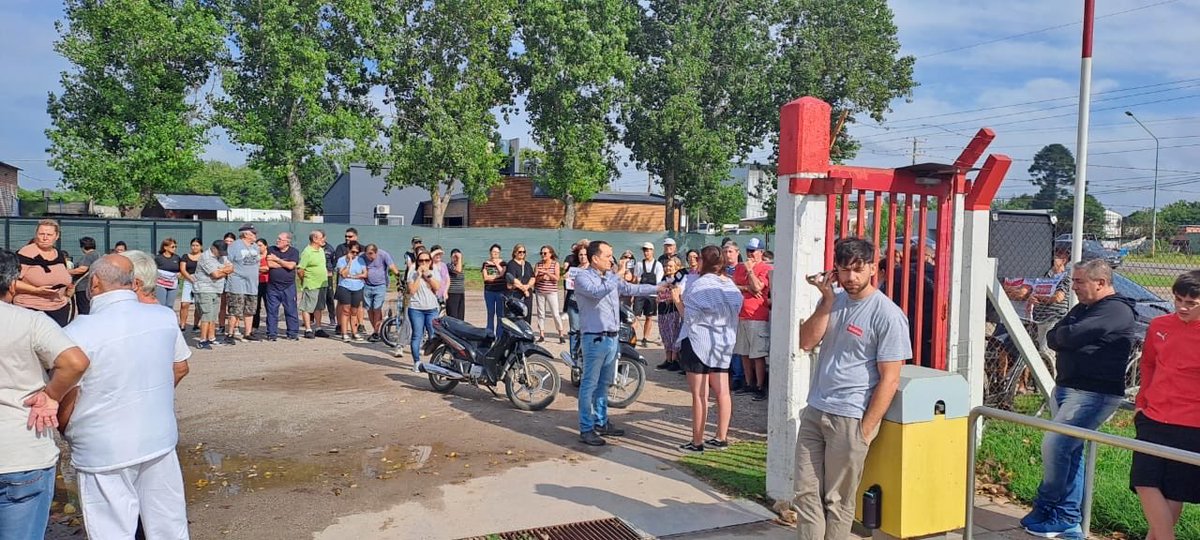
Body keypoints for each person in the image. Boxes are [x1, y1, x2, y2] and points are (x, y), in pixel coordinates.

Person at [60, 254, 191, 540]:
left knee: (112, 529)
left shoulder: (74, 333)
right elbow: (180, 367)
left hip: (104, 447)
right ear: (133, 283)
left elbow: (66, 395)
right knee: (168, 524)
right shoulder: (164, 317)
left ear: (94, 284)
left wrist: (69, 429)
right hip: (158, 438)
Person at [795, 237, 911, 540]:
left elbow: (890, 378)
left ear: (873, 268)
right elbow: (806, 341)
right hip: (816, 410)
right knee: (805, 493)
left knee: (838, 500)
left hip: (850, 417)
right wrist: (827, 300)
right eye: (845, 270)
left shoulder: (887, 314)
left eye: (858, 270)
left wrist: (866, 429)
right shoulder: (834, 301)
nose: (851, 278)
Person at [1020, 259, 1138, 537]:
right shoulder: (1083, 308)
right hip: (1067, 388)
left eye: (1079, 282)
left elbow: (1071, 335)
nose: (1073, 288)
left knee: (1056, 446)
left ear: (1101, 282)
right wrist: (1065, 335)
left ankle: (1051, 506)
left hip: (1092, 393)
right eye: (1073, 281)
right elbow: (1053, 336)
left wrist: (1066, 335)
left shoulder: (1116, 310)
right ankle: (1068, 516)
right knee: (1070, 453)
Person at [0, 249, 90, 540]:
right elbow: (75, 363)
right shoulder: (30, 321)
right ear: (13, 283)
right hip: (20, 451)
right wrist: (51, 395)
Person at [573, 240, 664, 447]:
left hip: (612, 338)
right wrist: (617, 274)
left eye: (612, 256)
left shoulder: (610, 278)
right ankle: (586, 428)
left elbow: (633, 288)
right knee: (590, 384)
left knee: (604, 383)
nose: (611, 260)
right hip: (595, 338)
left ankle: (602, 421)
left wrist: (659, 288)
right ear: (594, 258)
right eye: (607, 256)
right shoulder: (583, 277)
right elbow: (597, 293)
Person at [1132, 270, 1200, 540]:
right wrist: (1141, 402)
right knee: (1144, 481)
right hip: (1154, 416)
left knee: (1173, 492)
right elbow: (1148, 364)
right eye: (1178, 299)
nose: (1182, 307)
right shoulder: (1159, 325)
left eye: (1191, 303)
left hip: (1191, 423)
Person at [675, 245, 742, 452]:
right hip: (723, 343)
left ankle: (697, 441)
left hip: (698, 342)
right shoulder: (731, 286)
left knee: (699, 394)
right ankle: (721, 436)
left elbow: (688, 317)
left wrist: (677, 299)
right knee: (723, 392)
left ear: (704, 262)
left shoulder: (699, 286)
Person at [733, 238, 772, 401]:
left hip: (757, 315)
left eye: (753, 251)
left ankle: (759, 386)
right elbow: (731, 285)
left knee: (757, 354)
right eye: (748, 250)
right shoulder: (739, 267)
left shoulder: (766, 268)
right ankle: (748, 383)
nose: (749, 254)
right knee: (744, 353)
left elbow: (757, 287)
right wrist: (745, 288)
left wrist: (750, 272)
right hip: (741, 314)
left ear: (761, 252)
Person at [14, 219, 73, 326]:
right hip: (31, 308)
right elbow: (11, 281)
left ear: (57, 236)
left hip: (59, 308)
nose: (45, 238)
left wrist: (67, 293)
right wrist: (36, 290)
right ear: (36, 235)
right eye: (41, 234)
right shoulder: (26, 253)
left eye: (49, 234)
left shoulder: (59, 254)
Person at [194, 241, 234, 349]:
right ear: (213, 248)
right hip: (205, 289)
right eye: (219, 251)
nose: (221, 254)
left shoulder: (222, 256)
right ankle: (203, 340)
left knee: (213, 315)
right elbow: (215, 275)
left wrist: (222, 270)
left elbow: (231, 267)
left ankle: (211, 338)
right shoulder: (205, 257)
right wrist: (224, 271)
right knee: (206, 315)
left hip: (217, 289)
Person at [226, 224, 262, 341]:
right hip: (237, 283)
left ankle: (248, 332)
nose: (255, 235)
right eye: (253, 233)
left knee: (250, 309)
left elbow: (257, 262)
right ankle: (230, 333)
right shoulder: (234, 246)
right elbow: (228, 262)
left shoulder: (255, 247)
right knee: (236, 309)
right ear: (246, 234)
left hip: (252, 284)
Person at [407, 250, 441, 372]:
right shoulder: (412, 271)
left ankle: (434, 358)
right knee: (417, 334)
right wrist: (419, 275)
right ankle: (416, 362)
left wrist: (428, 275)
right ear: (417, 261)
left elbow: (437, 287)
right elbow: (412, 290)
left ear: (430, 261)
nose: (424, 263)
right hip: (416, 308)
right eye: (421, 260)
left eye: (427, 260)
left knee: (435, 335)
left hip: (431, 308)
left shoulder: (434, 270)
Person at [264, 232, 300, 341]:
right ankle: (271, 333)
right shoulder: (271, 250)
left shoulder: (294, 252)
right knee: (272, 311)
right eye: (277, 238)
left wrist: (278, 260)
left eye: (280, 239)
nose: (277, 241)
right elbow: (270, 264)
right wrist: (284, 263)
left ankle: (292, 333)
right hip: (273, 286)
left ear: (287, 242)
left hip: (288, 286)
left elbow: (291, 266)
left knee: (291, 310)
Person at [721, 241, 746, 392]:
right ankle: (725, 373)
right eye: (725, 252)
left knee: (736, 344)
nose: (728, 254)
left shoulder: (743, 269)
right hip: (723, 312)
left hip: (739, 311)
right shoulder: (720, 270)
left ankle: (738, 377)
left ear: (737, 252)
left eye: (730, 251)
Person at [362, 243, 401, 342]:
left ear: (376, 252)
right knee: (369, 309)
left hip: (380, 285)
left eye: (370, 254)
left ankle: (376, 331)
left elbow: (392, 266)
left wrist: (399, 277)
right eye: (367, 254)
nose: (368, 256)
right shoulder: (362, 256)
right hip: (367, 285)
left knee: (377, 308)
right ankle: (375, 331)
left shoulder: (383, 255)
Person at [297, 230, 329, 339]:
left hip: (321, 284)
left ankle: (318, 328)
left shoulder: (320, 250)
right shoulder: (307, 252)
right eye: (322, 238)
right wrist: (304, 280)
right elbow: (300, 269)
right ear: (315, 239)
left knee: (319, 307)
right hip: (311, 284)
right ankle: (308, 329)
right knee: (307, 307)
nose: (324, 239)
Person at [656, 256, 686, 372]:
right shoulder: (663, 279)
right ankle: (668, 359)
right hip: (663, 309)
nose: (667, 268)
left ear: (677, 267)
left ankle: (674, 360)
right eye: (666, 266)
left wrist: (671, 287)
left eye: (670, 266)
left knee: (674, 333)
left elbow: (680, 292)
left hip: (674, 309)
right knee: (664, 333)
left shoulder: (679, 279)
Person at [335, 241, 367, 342]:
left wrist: (354, 276)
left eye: (357, 252)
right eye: (353, 252)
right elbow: (343, 274)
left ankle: (355, 332)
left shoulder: (361, 260)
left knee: (354, 311)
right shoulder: (341, 260)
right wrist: (349, 262)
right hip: (345, 287)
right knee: (345, 310)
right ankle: (344, 333)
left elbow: (365, 274)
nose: (355, 254)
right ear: (348, 250)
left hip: (357, 287)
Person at [562, 240, 589, 357]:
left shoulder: (593, 269)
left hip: (587, 303)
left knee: (587, 330)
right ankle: (574, 355)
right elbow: (568, 285)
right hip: (573, 301)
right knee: (574, 330)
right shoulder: (574, 268)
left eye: (585, 254)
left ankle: (585, 354)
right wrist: (566, 277)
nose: (583, 257)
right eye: (580, 255)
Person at [533, 245, 565, 343]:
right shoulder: (538, 264)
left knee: (555, 313)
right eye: (541, 253)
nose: (543, 255)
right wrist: (540, 277)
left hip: (551, 292)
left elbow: (557, 278)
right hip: (540, 291)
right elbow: (534, 279)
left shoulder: (555, 264)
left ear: (550, 254)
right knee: (541, 313)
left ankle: (561, 334)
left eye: (545, 253)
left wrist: (547, 274)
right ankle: (542, 334)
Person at [634, 242, 664, 347]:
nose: (646, 252)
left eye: (648, 250)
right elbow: (636, 279)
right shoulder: (639, 264)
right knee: (635, 316)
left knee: (649, 317)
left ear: (652, 251)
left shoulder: (658, 265)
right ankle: (632, 337)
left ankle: (645, 338)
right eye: (644, 250)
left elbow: (659, 281)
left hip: (652, 295)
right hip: (640, 293)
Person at [177, 238, 204, 332]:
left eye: (197, 245)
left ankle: (196, 325)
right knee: (184, 304)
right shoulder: (185, 256)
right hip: (188, 281)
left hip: (201, 282)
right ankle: (182, 325)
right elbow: (183, 269)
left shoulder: (204, 256)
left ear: (201, 246)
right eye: (193, 245)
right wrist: (190, 278)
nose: (195, 247)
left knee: (198, 305)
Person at [69, 236, 100, 315]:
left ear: (83, 246)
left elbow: (82, 269)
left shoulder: (88, 256)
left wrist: (67, 271)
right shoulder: (97, 255)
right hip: (91, 287)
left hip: (83, 287)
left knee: (84, 310)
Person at [481, 244, 507, 337]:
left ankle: (499, 335)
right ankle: (489, 334)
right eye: (493, 252)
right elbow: (485, 278)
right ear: (490, 252)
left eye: (497, 252)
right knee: (490, 312)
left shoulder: (503, 263)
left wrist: (496, 263)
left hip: (500, 291)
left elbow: (503, 273)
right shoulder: (486, 263)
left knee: (500, 314)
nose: (495, 254)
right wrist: (497, 277)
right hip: (489, 291)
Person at [505, 244, 535, 324]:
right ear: (515, 253)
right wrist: (524, 289)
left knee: (527, 315)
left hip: (527, 295)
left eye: (523, 252)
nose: (522, 253)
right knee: (516, 316)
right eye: (520, 252)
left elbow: (533, 277)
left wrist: (528, 286)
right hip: (516, 294)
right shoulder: (511, 264)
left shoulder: (527, 264)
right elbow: (513, 280)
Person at [153, 238, 182, 309]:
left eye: (175, 247)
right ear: (165, 247)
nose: (174, 248)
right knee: (161, 304)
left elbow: (181, 270)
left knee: (170, 305)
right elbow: (152, 269)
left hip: (173, 284)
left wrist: (180, 274)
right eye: (172, 247)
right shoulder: (158, 258)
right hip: (160, 284)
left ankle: (169, 318)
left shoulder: (177, 258)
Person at [251, 238, 270, 330]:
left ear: (265, 246)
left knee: (269, 305)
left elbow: (268, 268)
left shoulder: (269, 256)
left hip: (267, 283)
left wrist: (257, 268)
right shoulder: (254, 256)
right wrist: (261, 268)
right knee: (256, 306)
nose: (258, 247)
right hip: (256, 283)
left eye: (260, 245)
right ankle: (255, 326)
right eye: (256, 245)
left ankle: (270, 326)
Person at [445, 249, 467, 320]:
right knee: (453, 316)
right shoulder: (449, 266)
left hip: (460, 293)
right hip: (452, 293)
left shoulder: (461, 266)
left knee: (460, 316)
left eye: (457, 257)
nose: (456, 259)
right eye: (454, 257)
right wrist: (459, 258)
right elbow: (458, 270)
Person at [430, 246, 451, 310]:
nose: (438, 256)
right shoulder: (429, 265)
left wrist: (445, 291)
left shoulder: (443, 265)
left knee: (441, 315)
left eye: (440, 254)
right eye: (436, 254)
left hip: (442, 295)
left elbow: (447, 280)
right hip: (432, 295)